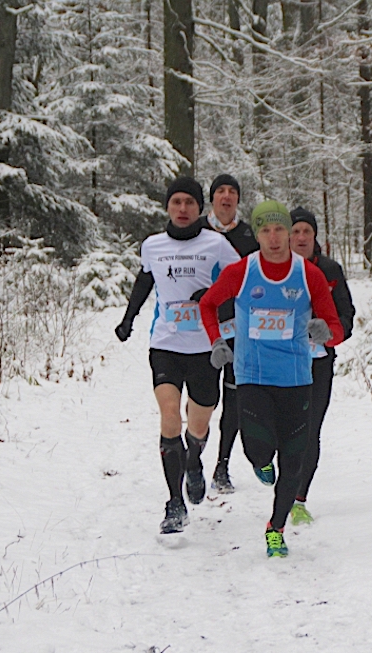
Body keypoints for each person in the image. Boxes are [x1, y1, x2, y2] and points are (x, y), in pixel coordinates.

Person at [199, 201, 344, 557]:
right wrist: (216, 341)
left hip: (296, 378)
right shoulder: (241, 272)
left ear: (289, 233)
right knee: (257, 448)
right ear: (257, 235)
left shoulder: (309, 275)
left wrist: (326, 333)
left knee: (293, 460)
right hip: (253, 375)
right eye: (266, 230)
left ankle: (276, 529)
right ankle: (261, 462)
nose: (274, 238)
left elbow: (335, 326)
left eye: (280, 230)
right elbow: (207, 304)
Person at [115, 177, 241, 534]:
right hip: (165, 344)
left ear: (200, 208)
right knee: (169, 416)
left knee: (198, 425)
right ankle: (175, 504)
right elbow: (144, 281)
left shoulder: (216, 244)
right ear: (168, 207)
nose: (183, 209)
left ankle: (194, 460)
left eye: (189, 202)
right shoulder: (153, 245)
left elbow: (241, 283)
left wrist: (213, 298)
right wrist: (128, 319)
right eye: (176, 202)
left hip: (205, 348)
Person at [287, 207, 356, 525]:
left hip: (318, 363)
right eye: (296, 231)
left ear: (315, 237)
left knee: (310, 429)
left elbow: (346, 316)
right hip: (280, 361)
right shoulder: (271, 270)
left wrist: (329, 333)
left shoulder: (330, 270)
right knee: (282, 428)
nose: (301, 237)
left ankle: (299, 499)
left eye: (307, 232)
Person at [199, 174, 258, 494]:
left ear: (237, 199)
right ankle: (195, 457)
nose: (226, 196)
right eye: (220, 191)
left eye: (232, 191)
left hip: (239, 328)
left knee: (233, 399)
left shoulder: (249, 235)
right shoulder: (197, 231)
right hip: (202, 329)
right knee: (204, 399)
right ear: (212, 199)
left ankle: (222, 466)